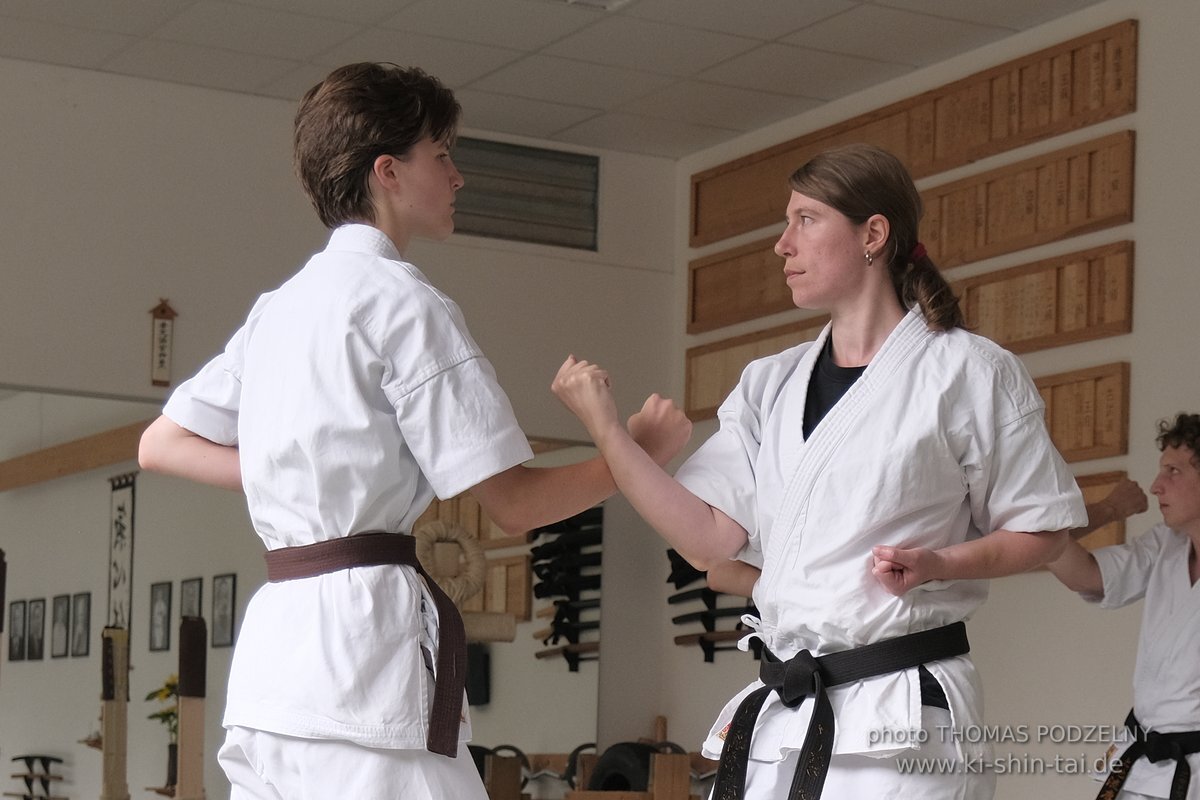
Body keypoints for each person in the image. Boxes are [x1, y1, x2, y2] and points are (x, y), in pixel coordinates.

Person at [138, 62, 687, 800]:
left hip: (273, 677)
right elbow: (515, 505)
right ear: (388, 171)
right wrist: (635, 455)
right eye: (443, 155)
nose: (458, 176)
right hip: (362, 671)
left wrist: (303, 468)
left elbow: (161, 444)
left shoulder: (281, 309)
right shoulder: (404, 306)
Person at [553, 143, 1087, 799]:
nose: (783, 244)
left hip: (900, 714)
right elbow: (707, 540)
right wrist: (611, 435)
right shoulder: (768, 383)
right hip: (785, 712)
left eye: (806, 220)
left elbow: (1046, 531)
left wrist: (940, 565)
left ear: (873, 235)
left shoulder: (967, 370)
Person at [1047, 413, 1200, 800]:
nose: (1156, 485)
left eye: (1174, 471)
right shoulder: (1167, 544)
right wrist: (1109, 509)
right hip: (1141, 765)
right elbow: (1079, 572)